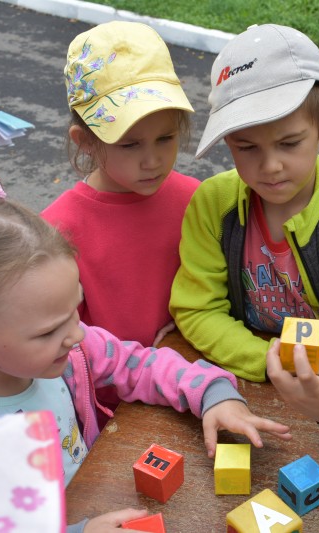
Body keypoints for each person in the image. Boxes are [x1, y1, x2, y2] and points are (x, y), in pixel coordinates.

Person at [0, 170, 292, 532]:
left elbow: (138, 363)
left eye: (75, 309)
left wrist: (212, 394)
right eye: (48, 331)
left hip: (97, 493)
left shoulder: (70, 347)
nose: (77, 334)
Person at [169, 24, 319, 431]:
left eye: (289, 142)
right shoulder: (212, 204)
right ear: (228, 142)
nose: (270, 166)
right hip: (245, 384)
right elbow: (196, 308)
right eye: (247, 147)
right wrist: (273, 361)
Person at [41, 21, 199, 348]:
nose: (152, 160)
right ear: (84, 140)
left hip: (194, 376)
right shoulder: (57, 231)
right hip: (109, 395)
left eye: (165, 138)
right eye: (129, 144)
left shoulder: (196, 199)